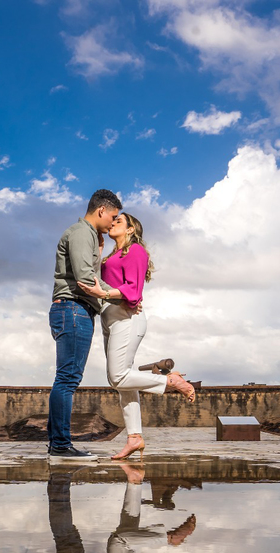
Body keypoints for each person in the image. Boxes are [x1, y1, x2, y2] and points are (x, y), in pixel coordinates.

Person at [78, 212, 195, 460]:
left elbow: (133, 289)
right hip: (110, 318)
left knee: (117, 377)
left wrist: (103, 295)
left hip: (127, 318)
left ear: (131, 230)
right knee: (123, 384)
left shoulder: (136, 251)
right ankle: (135, 438)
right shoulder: (113, 255)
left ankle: (168, 382)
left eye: (119, 221)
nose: (113, 223)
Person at [48, 189, 123, 463]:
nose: (113, 223)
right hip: (73, 309)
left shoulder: (91, 237)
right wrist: (119, 297)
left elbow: (89, 277)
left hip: (75, 310)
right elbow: (84, 279)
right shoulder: (82, 233)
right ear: (101, 210)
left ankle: (58, 444)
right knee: (67, 379)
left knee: (67, 379)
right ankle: (60, 446)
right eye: (113, 217)